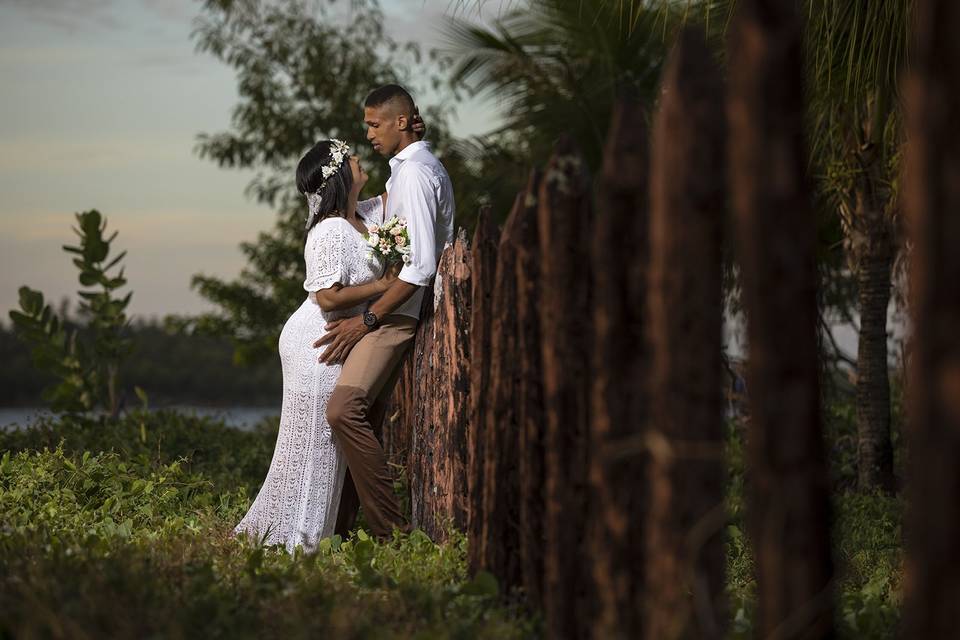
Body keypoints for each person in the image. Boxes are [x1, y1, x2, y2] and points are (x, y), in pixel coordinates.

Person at [232, 139, 400, 552]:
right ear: (339, 174)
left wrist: (412, 141)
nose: (360, 159)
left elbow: (404, 186)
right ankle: (292, 539)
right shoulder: (329, 231)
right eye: (351, 157)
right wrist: (383, 284)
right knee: (314, 441)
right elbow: (327, 296)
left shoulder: (364, 216)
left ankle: (311, 537)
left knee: (326, 443)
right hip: (316, 341)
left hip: (338, 336)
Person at [316, 84, 455, 540]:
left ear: (401, 121)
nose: (369, 135)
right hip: (389, 310)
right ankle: (341, 528)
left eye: (375, 125)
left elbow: (419, 268)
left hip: (396, 314)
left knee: (342, 410)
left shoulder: (414, 175)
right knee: (364, 417)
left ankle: (390, 534)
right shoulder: (404, 174)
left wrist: (366, 319)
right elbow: (379, 224)